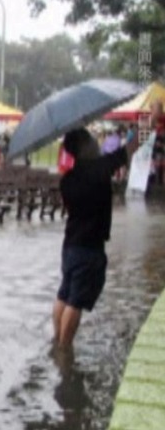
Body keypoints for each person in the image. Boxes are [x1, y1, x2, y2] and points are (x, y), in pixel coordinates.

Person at [52, 128, 137, 349]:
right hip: (89, 248)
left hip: (69, 246)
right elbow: (133, 146)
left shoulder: (67, 179)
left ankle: (56, 341)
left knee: (64, 293)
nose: (96, 143)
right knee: (75, 302)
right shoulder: (99, 169)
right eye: (91, 140)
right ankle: (64, 351)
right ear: (84, 147)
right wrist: (151, 118)